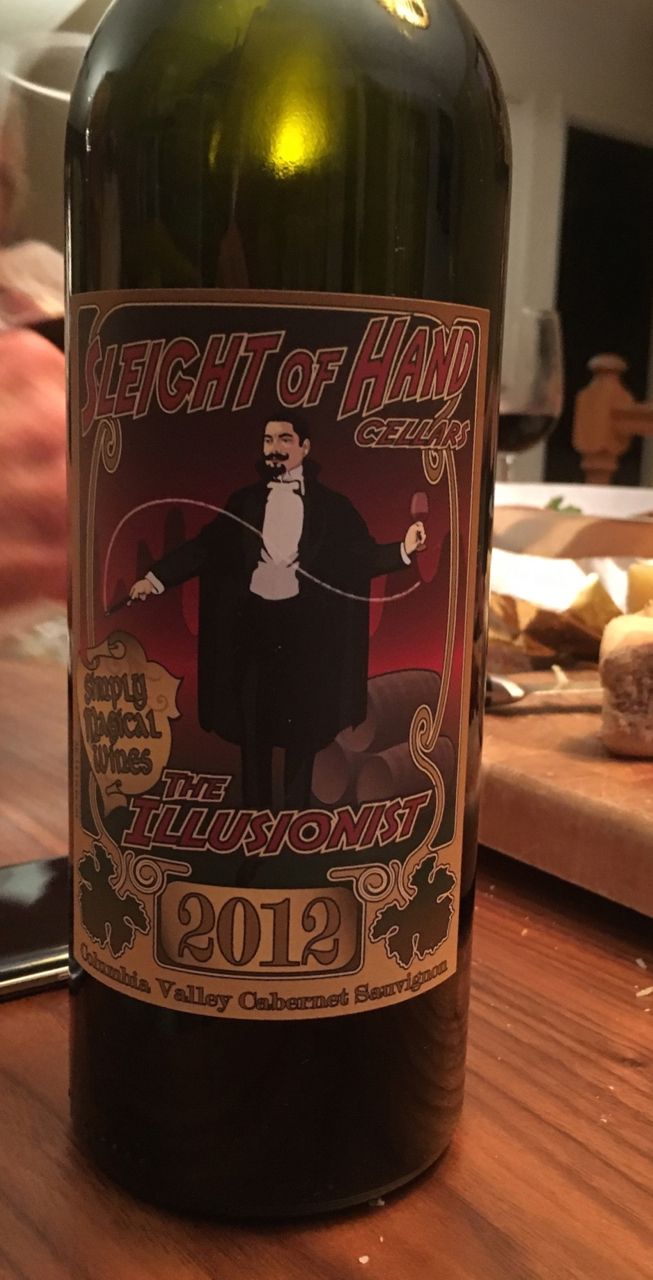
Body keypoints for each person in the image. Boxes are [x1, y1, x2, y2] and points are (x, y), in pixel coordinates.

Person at [130, 414, 426, 809]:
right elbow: (207, 547)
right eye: (269, 440)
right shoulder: (245, 502)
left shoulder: (332, 508)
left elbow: (360, 557)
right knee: (254, 727)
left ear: (305, 447)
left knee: (303, 728)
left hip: (305, 632)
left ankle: (295, 812)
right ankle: (255, 812)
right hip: (253, 630)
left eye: (285, 439)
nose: (274, 448)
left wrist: (403, 550)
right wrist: (155, 578)